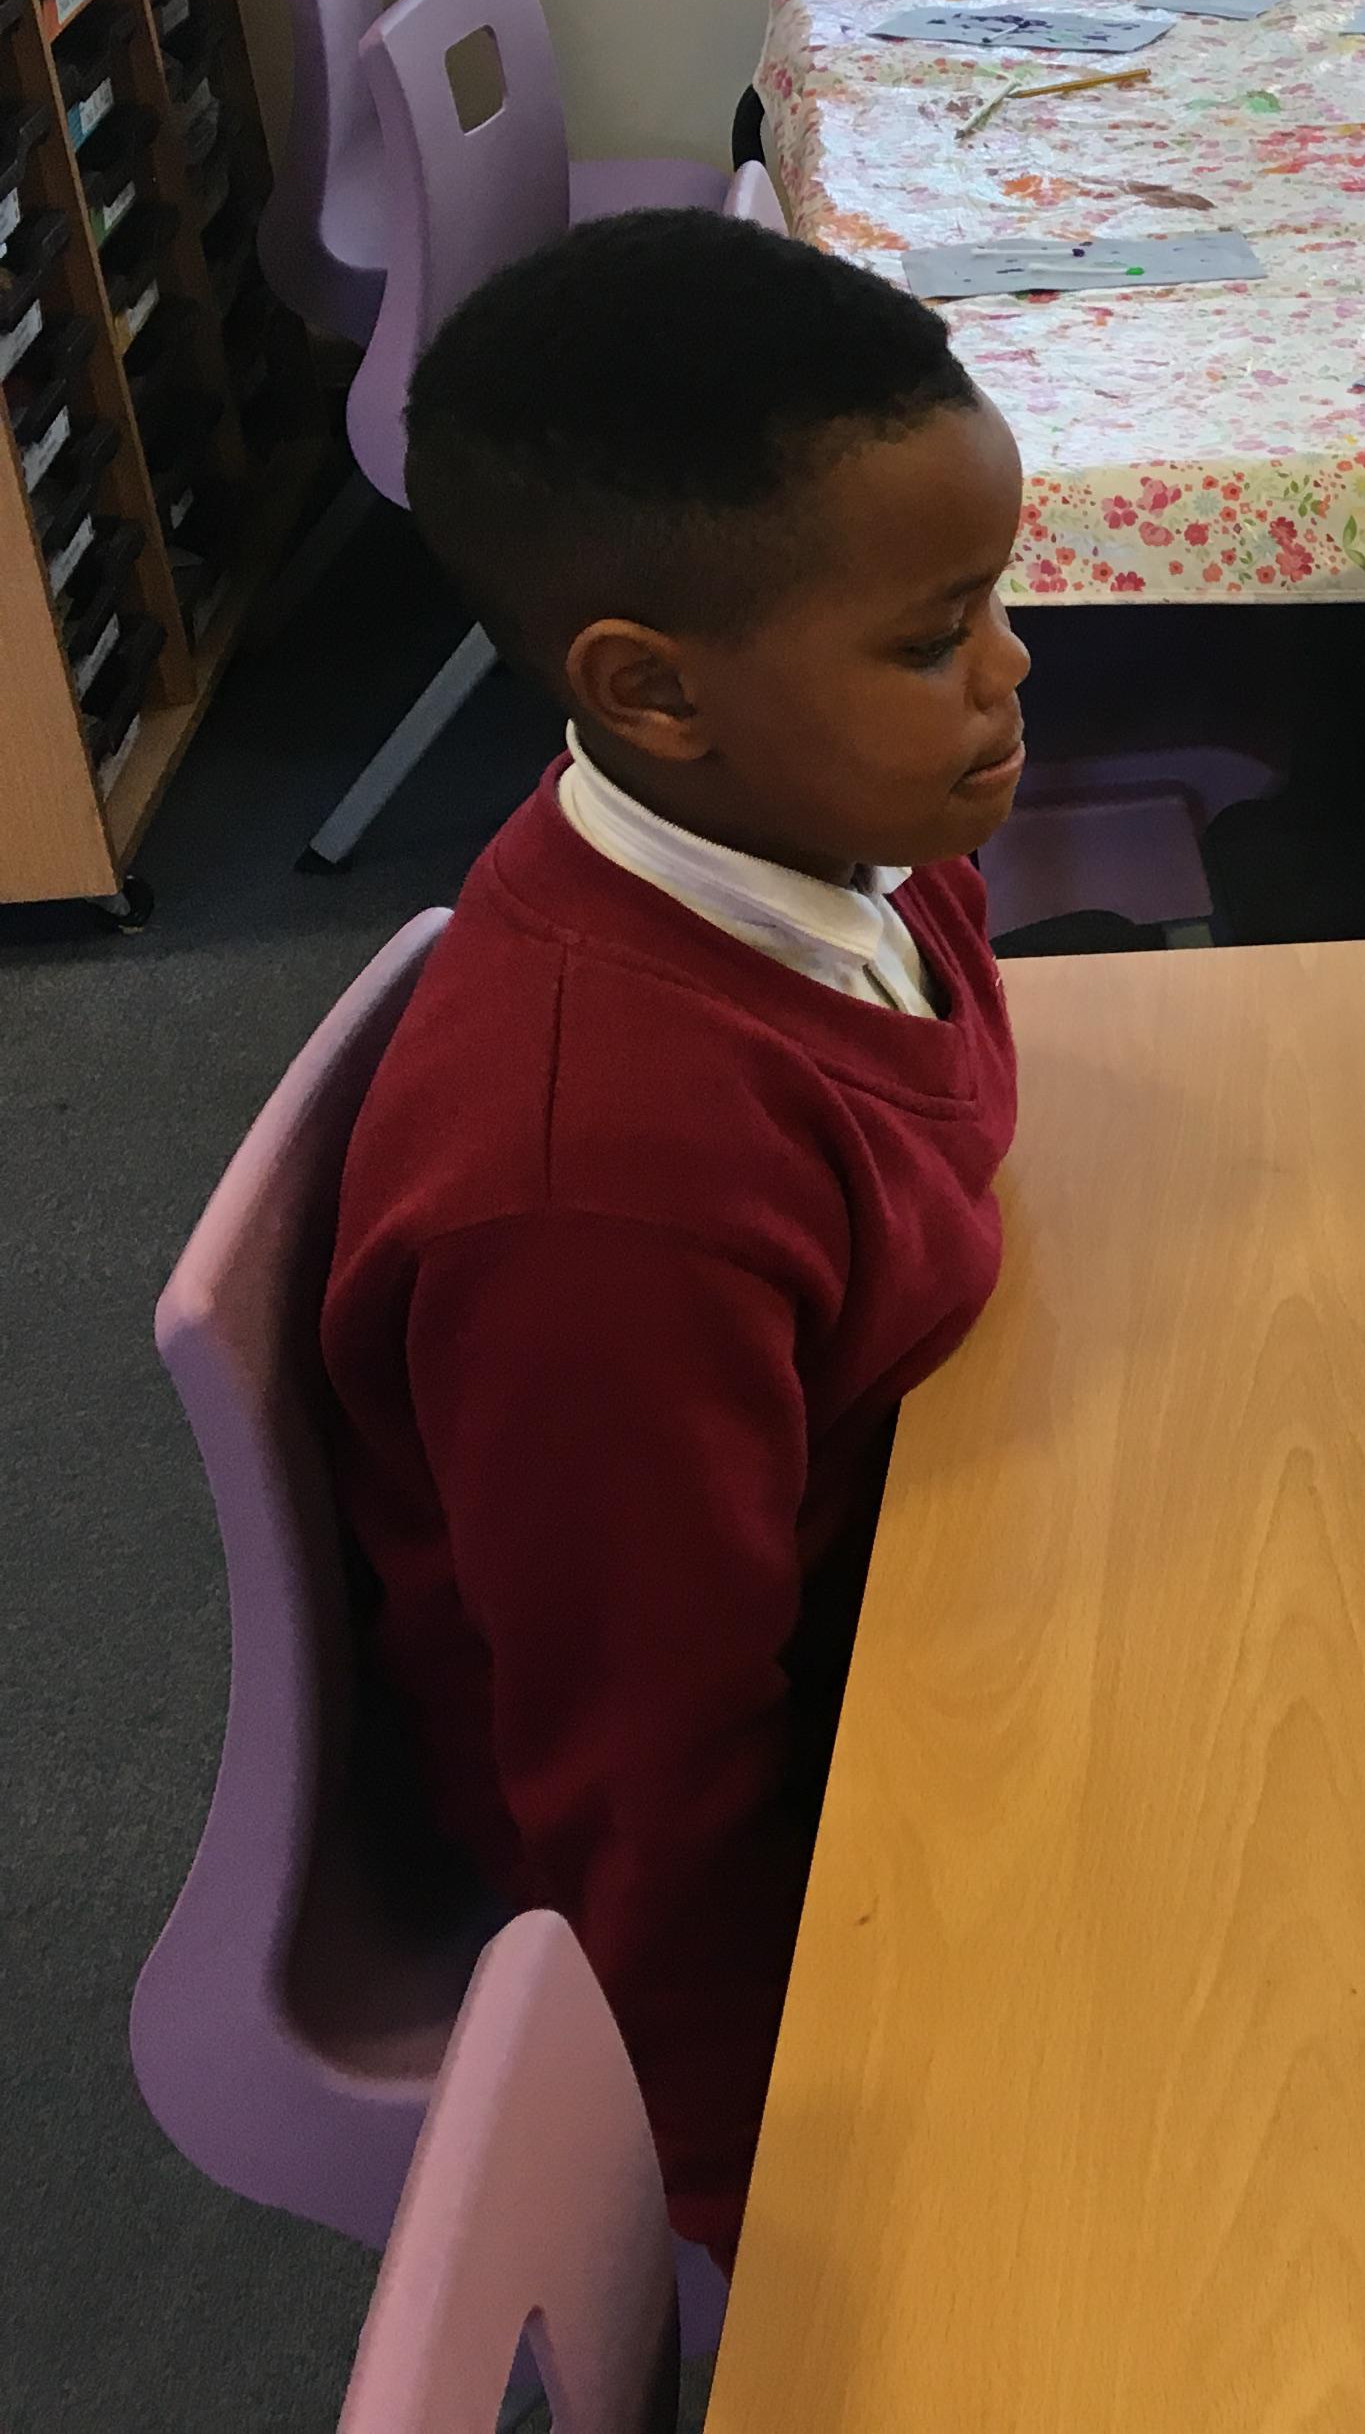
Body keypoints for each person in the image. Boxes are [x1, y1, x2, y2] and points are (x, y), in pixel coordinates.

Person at [320, 208, 1030, 2262]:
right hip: (789, 1845)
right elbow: (651, 1787)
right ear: (651, 694)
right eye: (935, 638)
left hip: (941, 1560)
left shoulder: (846, 842)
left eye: (995, 599)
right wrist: (762, 2208)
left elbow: (947, 1145)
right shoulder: (606, 1198)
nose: (1010, 668)